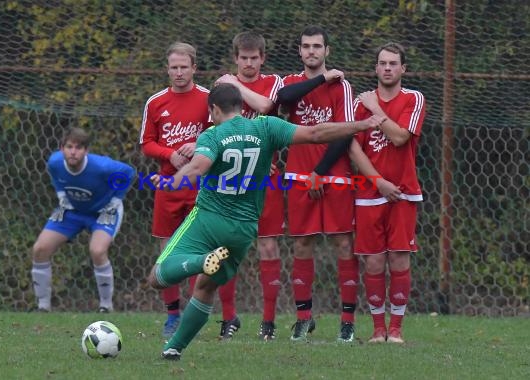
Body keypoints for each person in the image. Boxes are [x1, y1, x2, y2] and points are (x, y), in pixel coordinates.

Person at [148, 83, 385, 360]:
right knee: (206, 286)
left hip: (209, 219)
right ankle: (174, 348)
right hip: (244, 229)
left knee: (158, 276)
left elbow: (199, 166)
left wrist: (172, 181)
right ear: (239, 106)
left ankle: (201, 261)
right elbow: (317, 132)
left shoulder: (212, 135)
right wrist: (362, 124)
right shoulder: (266, 127)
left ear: (213, 110)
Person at [279, 25, 359, 342]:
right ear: (300, 51)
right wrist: (321, 79)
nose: (311, 51)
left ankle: (347, 322)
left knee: (343, 244)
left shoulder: (343, 87)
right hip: (298, 175)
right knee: (302, 244)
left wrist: (321, 171)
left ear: (327, 51)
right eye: (306, 46)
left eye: (317, 46)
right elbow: (284, 99)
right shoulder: (291, 84)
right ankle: (303, 319)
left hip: (334, 175)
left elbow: (345, 131)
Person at [347, 42, 426, 343]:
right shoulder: (358, 105)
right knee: (375, 262)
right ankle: (378, 330)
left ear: (403, 68)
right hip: (370, 192)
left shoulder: (414, 99)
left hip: (404, 192)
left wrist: (376, 109)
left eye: (394, 63)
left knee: (400, 261)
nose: (388, 68)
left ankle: (396, 330)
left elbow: (400, 137)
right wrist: (378, 180)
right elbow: (352, 147)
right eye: (383, 63)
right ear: (376, 68)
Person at [214, 31, 284, 340]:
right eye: (244, 58)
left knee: (267, 246)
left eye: (254, 58)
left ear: (263, 59)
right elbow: (217, 129)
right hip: (232, 179)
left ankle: (268, 322)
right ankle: (229, 317)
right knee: (226, 248)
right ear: (235, 58)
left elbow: (268, 107)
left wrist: (236, 86)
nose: (249, 63)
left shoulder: (275, 84)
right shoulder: (219, 88)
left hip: (267, 179)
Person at [139, 42, 211, 338]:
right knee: (167, 250)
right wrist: (169, 155)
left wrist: (198, 148)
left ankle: (194, 315)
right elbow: (146, 143)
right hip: (167, 186)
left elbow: (218, 133)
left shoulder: (209, 98)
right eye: (174, 67)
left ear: (194, 67)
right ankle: (172, 315)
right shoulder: (155, 102)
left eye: (184, 67)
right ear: (167, 69)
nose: (179, 72)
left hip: (200, 186)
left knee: (199, 252)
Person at [31, 127, 135, 312]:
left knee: (97, 250)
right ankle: (43, 307)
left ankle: (106, 306)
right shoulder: (55, 162)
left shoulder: (102, 167)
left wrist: (115, 199)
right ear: (61, 148)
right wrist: (61, 194)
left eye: (78, 148)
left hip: (104, 211)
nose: (73, 151)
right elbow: (54, 175)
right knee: (40, 249)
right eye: (69, 147)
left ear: (86, 151)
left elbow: (128, 172)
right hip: (72, 210)